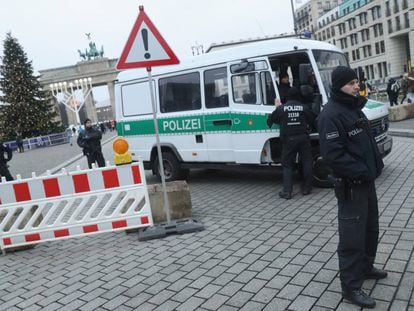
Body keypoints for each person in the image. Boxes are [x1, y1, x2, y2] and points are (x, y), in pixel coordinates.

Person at [318, 66, 386, 309]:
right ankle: (350, 287)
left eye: (356, 81)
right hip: (351, 186)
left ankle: (366, 267)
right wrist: (361, 172)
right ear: (338, 87)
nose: (356, 86)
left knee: (370, 229)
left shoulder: (353, 108)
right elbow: (333, 155)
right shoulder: (331, 115)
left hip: (366, 182)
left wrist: (372, 169)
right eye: (350, 83)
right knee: (352, 238)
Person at [267, 86, 314, 199]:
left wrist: (277, 108)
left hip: (288, 140)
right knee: (307, 162)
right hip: (303, 138)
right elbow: (312, 120)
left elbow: (270, 121)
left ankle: (287, 192)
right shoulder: (304, 107)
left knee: (287, 165)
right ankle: (306, 188)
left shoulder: (282, 108)